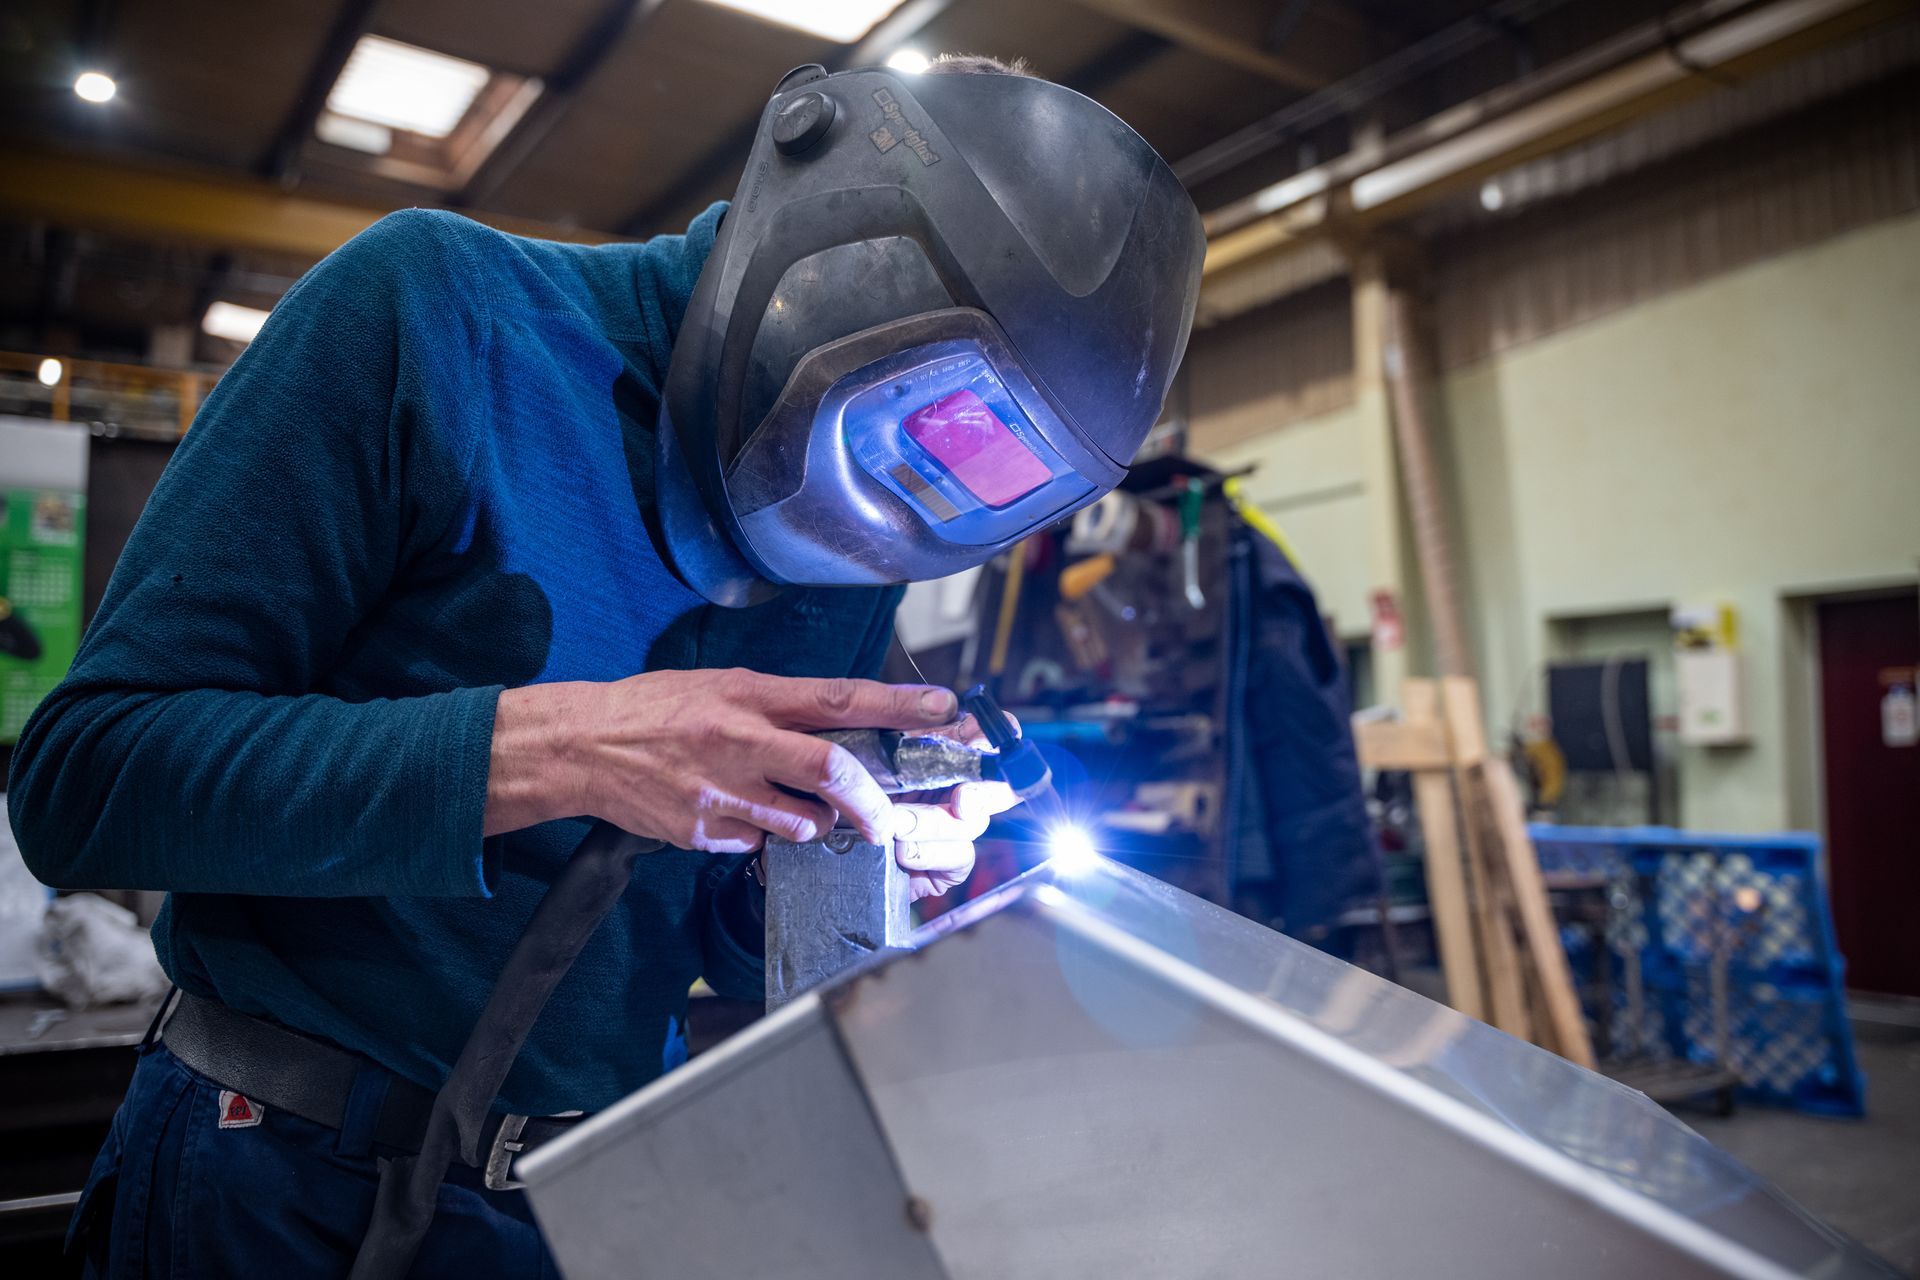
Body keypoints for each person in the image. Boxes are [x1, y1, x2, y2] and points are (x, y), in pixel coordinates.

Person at [8, 53, 1202, 1274]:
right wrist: (565, 749)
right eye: (931, 416)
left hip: (593, 1204)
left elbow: (715, 935)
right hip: (271, 1185)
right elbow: (84, 782)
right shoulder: (438, 317)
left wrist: (864, 863)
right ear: (840, 247)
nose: (910, 498)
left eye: (999, 482)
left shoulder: (864, 540)